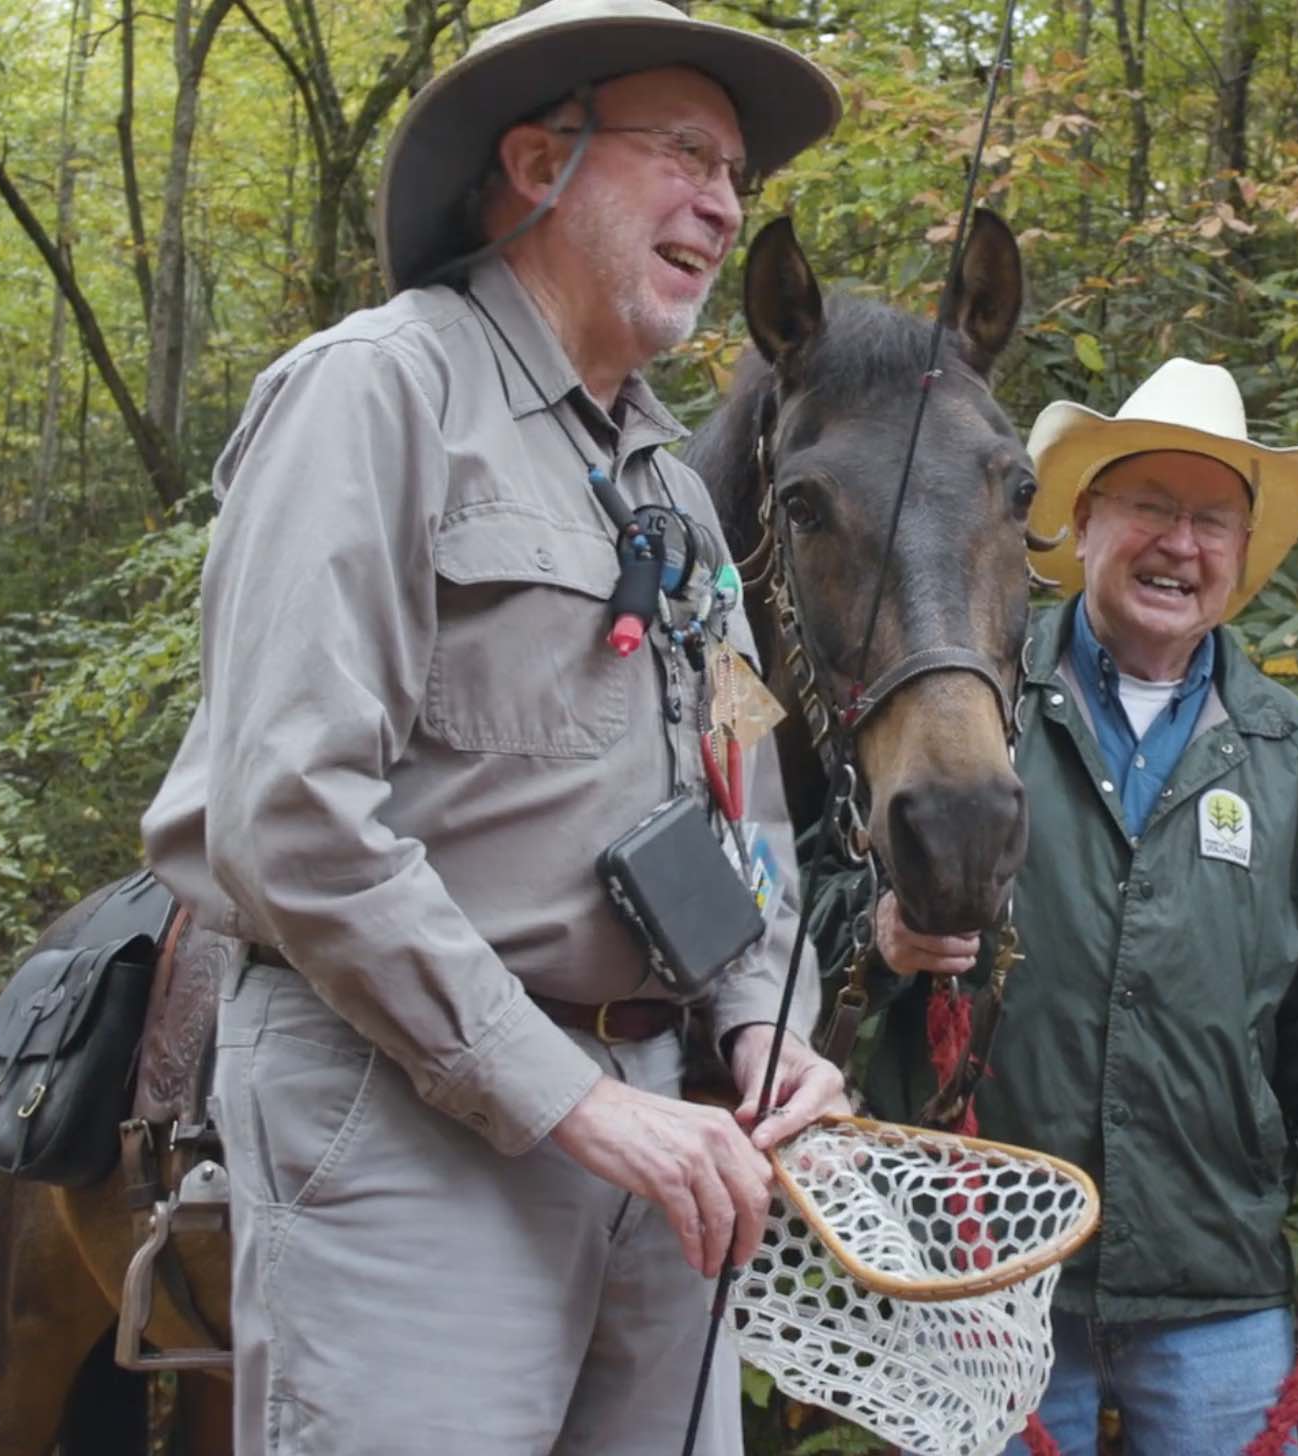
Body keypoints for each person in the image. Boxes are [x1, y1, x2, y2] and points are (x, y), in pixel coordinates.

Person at [137, 2, 852, 1450]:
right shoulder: (377, 395)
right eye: (686, 153)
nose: (724, 202)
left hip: (673, 1139)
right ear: (537, 160)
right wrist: (568, 1103)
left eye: (738, 176)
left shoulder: (679, 494)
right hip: (405, 1119)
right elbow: (290, 818)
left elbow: (749, 796)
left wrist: (768, 1023)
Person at [856, 358, 1298, 1455]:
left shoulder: (1297, 759)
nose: (1180, 544)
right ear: (1080, 522)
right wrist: (879, 933)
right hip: (981, 1272)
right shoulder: (966, 701)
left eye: (1212, 519)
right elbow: (809, 907)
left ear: (1242, 553)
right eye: (1150, 507)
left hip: (1214, 1282)